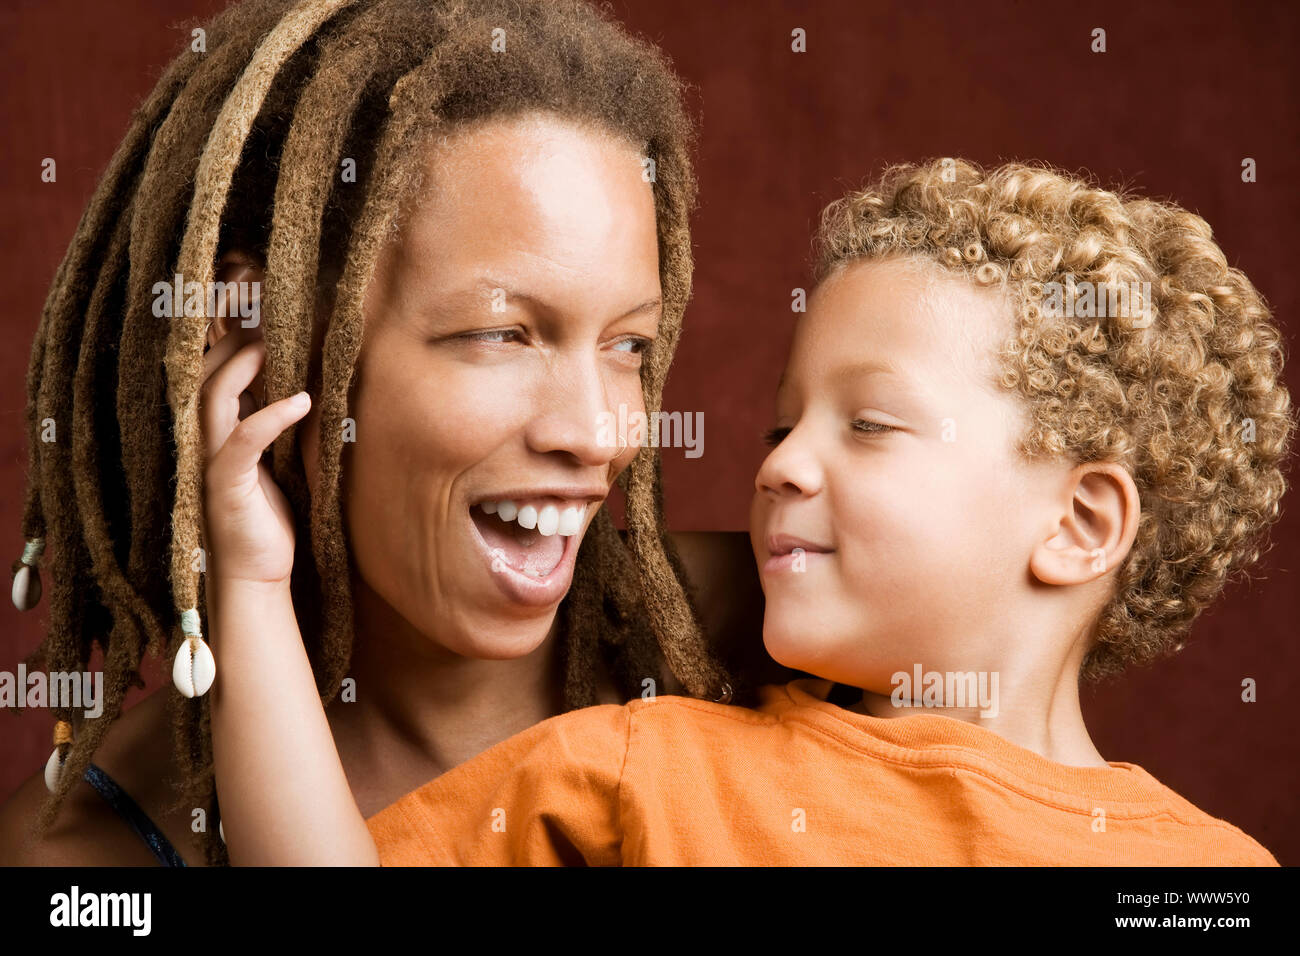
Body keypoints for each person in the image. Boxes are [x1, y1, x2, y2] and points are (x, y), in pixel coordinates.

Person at [215, 158, 1288, 865]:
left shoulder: (1207, 874)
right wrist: (253, 589)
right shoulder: (650, 772)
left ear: (1080, 523)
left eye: (867, 424)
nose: (780, 467)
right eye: (781, 430)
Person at [0, 0, 766, 867]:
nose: (596, 434)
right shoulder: (88, 862)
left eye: (628, 343)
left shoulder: (764, 633)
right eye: (500, 334)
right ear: (260, 334)